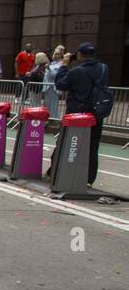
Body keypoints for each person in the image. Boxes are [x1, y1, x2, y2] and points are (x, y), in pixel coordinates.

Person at [55, 43, 111, 186]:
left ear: (79, 54)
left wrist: (64, 65)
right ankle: (88, 179)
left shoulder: (77, 71)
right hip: (96, 112)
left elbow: (60, 84)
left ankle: (56, 172)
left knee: (66, 142)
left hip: (77, 114)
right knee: (92, 146)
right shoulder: (103, 68)